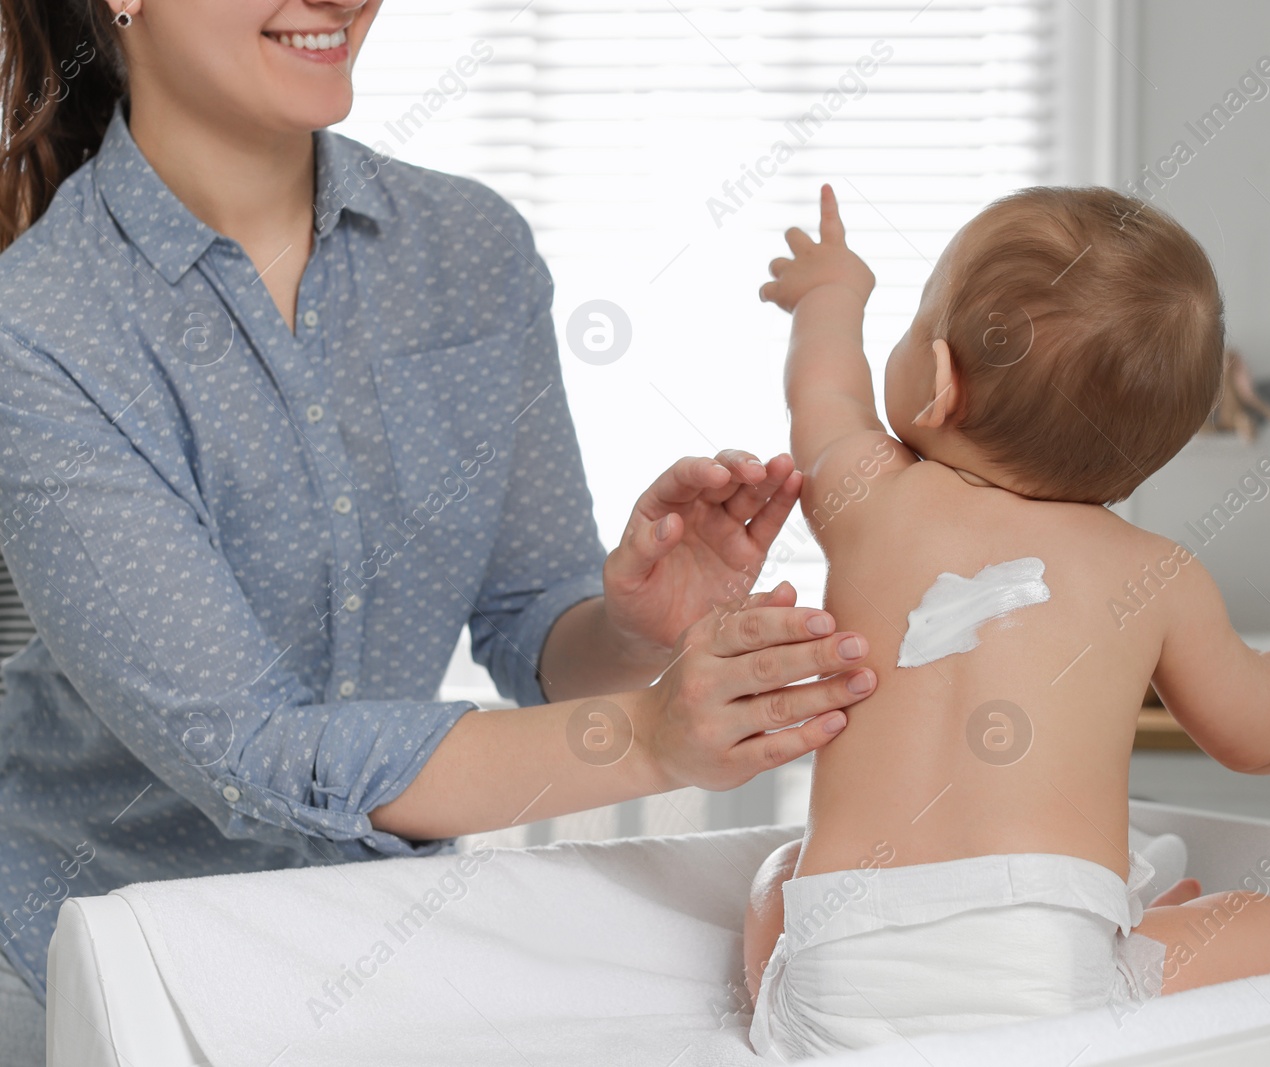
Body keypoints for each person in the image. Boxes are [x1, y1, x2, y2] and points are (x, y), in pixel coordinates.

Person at [0, 3, 880, 1062]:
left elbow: (532, 620)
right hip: (89, 954)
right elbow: (252, 751)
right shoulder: (38, 327)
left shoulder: (473, 251)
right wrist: (648, 737)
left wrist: (636, 628)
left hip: (373, 939)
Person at [741, 185, 1270, 1057]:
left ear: (939, 383)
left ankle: (787, 986)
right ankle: (1129, 944)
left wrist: (833, 293)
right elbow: (1258, 735)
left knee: (776, 876)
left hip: (834, 980)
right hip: (1056, 989)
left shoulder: (872, 498)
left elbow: (822, 385)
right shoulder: (1154, 573)